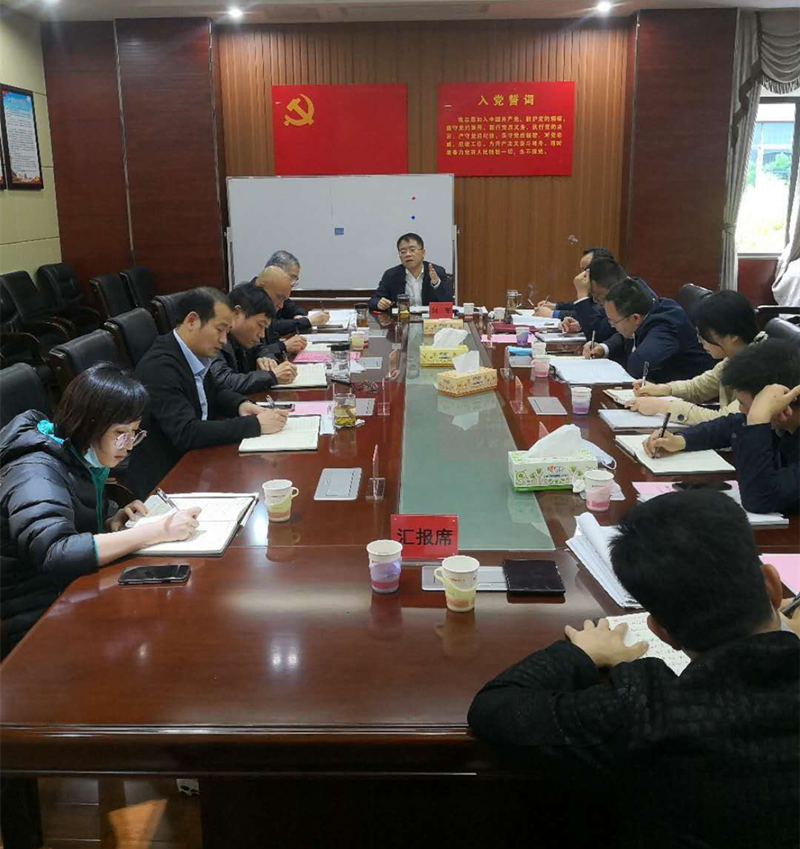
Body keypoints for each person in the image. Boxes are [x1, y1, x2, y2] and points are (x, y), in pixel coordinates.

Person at [468, 490, 800, 849]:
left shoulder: (649, 709)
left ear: (660, 630)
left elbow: (495, 708)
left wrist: (581, 654)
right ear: (772, 586)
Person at [0, 364, 201, 655]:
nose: (128, 446)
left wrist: (110, 518)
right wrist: (157, 531)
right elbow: (55, 553)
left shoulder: (77, 454)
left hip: (72, 589)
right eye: (120, 433)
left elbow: (74, 511)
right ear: (88, 424)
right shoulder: (35, 472)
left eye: (134, 433)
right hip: (35, 613)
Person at [128, 287, 287, 498]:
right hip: (168, 478)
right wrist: (254, 425)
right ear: (192, 321)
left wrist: (241, 405)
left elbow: (215, 392)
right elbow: (187, 432)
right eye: (219, 330)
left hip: (198, 461)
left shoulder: (192, 353)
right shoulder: (160, 366)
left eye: (227, 332)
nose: (224, 340)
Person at [644, 339, 800, 513]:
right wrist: (680, 440)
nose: (741, 410)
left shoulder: (764, 418)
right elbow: (729, 425)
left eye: (746, 405)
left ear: (785, 402)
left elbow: (758, 499)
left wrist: (758, 419)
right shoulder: (779, 423)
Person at [628, 290, 762, 424]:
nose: (701, 342)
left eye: (706, 335)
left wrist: (664, 407)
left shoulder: (760, 366)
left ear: (732, 335)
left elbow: (725, 420)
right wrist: (662, 389)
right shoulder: (735, 356)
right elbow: (698, 388)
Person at [584, 277, 714, 382]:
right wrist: (604, 348)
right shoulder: (648, 311)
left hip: (693, 395)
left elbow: (638, 367)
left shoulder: (665, 325)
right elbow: (625, 336)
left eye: (613, 321)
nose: (612, 326)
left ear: (635, 318)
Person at [210, 283, 297, 393]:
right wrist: (271, 376)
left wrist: (267, 358)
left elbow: (260, 348)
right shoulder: (214, 339)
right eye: (260, 325)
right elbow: (222, 381)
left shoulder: (242, 338)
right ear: (237, 313)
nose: (262, 334)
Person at [369, 233, 453, 311]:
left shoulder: (437, 272)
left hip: (428, 320)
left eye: (412, 250)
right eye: (403, 252)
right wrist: (379, 303)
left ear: (423, 253)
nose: (407, 254)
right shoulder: (391, 275)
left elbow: (448, 302)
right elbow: (374, 300)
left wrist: (436, 283)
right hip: (402, 320)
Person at [534, 246, 614, 318]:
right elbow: (582, 306)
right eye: (582, 270)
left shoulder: (613, 293)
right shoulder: (598, 288)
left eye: (585, 270)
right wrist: (556, 306)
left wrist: (553, 314)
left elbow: (590, 316)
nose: (581, 275)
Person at [262, 250, 330, 334]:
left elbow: (293, 309)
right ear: (276, 271)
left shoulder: (279, 291)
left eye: (295, 279)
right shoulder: (255, 294)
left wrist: (298, 316)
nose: (293, 284)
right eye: (292, 278)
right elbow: (270, 327)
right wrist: (308, 321)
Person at [251, 265, 308, 363]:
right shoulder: (246, 304)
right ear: (262, 288)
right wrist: (283, 346)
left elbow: (270, 342)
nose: (281, 306)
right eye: (280, 298)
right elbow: (252, 353)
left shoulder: (268, 304)